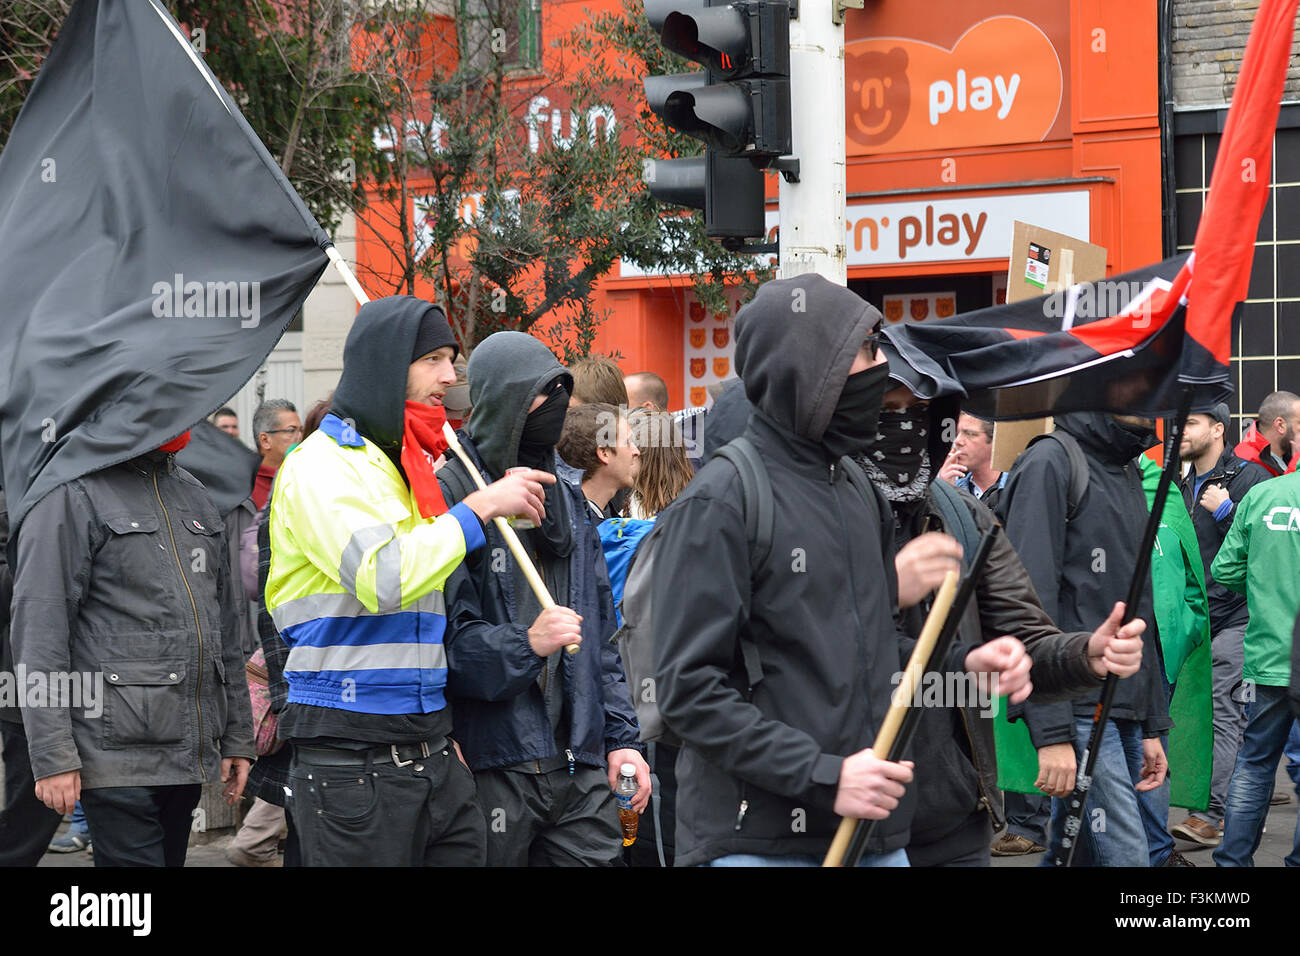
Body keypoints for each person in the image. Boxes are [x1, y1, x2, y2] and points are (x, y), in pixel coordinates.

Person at [646, 274, 1034, 867]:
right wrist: (823, 776)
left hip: (873, 836)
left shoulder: (856, 489)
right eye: (867, 351)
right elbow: (687, 692)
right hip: (759, 845)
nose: (881, 369)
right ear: (811, 365)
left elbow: (873, 646)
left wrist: (962, 664)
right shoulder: (721, 500)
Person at [265, 296, 551, 867]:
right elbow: (385, 577)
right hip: (352, 759)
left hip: (431, 753)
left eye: (453, 359)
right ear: (386, 363)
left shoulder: (405, 467)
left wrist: (488, 499)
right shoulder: (321, 465)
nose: (451, 375)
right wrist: (476, 510)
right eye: (434, 359)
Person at [855, 341, 1150, 867]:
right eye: (885, 411)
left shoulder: (963, 517)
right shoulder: (809, 514)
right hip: (840, 816)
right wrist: (885, 593)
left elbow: (1026, 634)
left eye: (919, 412)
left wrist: (1086, 655)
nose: (903, 426)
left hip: (949, 817)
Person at [437, 331, 649, 866]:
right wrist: (525, 643)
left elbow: (602, 639)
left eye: (562, 389)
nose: (553, 404)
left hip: (579, 768)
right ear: (503, 400)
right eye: (539, 392)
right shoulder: (454, 496)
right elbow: (444, 643)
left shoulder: (571, 505)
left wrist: (623, 739)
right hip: (493, 767)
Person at [9, 432, 256, 867]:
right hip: (112, 754)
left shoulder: (194, 494)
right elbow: (40, 632)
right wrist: (52, 757)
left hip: (185, 752)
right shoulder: (73, 493)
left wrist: (237, 736)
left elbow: (225, 629)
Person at [997, 412, 1171, 867]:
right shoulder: (1050, 462)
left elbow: (1138, 605)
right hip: (1077, 707)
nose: (1149, 391)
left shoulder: (1128, 466)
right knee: (1128, 857)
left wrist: (1150, 723)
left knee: (1075, 854)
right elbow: (1026, 608)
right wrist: (1052, 733)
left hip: (1123, 707)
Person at [1168, 403, 1271, 847]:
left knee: (1222, 708)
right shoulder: (1176, 483)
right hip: (1191, 617)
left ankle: (1211, 814)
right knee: (1188, 711)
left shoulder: (1252, 480)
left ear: (1217, 428)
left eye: (1189, 423)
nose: (1180, 431)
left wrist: (1227, 510)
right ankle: (1233, 810)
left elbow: (1264, 550)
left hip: (1237, 614)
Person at [1210, 464, 1300, 866]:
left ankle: (1232, 861)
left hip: (1267, 655)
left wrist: (1266, 581)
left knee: (1255, 763)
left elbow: (1224, 569)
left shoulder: (1263, 495)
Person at [0, 487, 65, 866]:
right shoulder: (16, 498)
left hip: (103, 678)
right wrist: (38, 563)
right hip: (26, 681)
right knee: (30, 807)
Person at [557, 402, 641, 522]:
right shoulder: (569, 528)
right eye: (627, 442)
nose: (636, 451)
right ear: (604, 453)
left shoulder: (585, 519)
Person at [938, 412, 1006, 510]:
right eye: (957, 434)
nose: (958, 441)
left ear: (995, 440)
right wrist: (947, 491)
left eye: (969, 434)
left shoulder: (1015, 488)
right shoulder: (954, 488)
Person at [1235, 390, 1300, 477]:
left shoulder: (1285, 454)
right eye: (1299, 423)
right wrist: (1297, 462)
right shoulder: (1246, 462)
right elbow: (1280, 490)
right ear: (1280, 425)